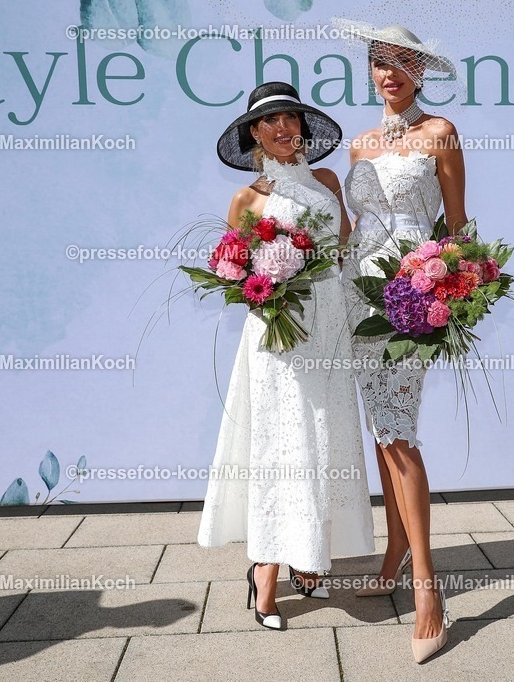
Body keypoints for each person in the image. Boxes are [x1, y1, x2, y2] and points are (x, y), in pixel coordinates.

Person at [196, 81, 374, 631]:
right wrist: (270, 286)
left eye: (290, 119)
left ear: (302, 125)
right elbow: (235, 270)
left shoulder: (325, 181)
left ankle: (309, 557)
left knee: (324, 436)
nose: (282, 129)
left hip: (328, 325)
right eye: (270, 122)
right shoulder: (247, 199)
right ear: (254, 132)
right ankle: (265, 573)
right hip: (279, 333)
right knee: (283, 440)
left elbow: (343, 245)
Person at [337, 21, 465, 663]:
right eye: (379, 62)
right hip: (357, 298)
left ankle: (427, 591)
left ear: (421, 69)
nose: (390, 73)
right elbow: (353, 230)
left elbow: (459, 228)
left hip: (411, 298)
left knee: (397, 432)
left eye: (401, 62)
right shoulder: (358, 144)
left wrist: (451, 292)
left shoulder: (439, 132)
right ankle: (393, 556)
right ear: (369, 70)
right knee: (381, 434)